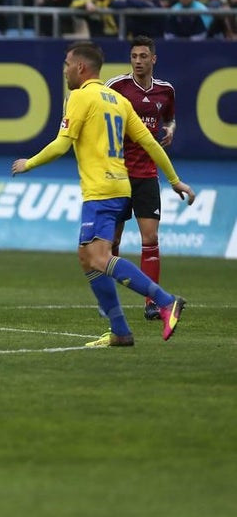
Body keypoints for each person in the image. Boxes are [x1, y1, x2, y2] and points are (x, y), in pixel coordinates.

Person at [12, 42, 193, 347]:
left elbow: (61, 143)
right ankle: (120, 331)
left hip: (100, 191)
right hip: (120, 186)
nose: (65, 69)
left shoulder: (80, 97)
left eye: (68, 63)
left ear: (81, 67)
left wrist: (28, 163)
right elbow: (151, 144)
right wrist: (175, 181)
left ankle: (164, 300)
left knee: (98, 257)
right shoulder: (119, 100)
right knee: (87, 257)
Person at [106, 37, 176, 322]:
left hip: (146, 175)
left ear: (153, 59)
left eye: (143, 56)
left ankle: (151, 302)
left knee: (150, 238)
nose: (137, 61)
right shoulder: (116, 86)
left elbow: (170, 118)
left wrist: (170, 129)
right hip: (118, 173)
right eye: (134, 55)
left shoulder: (166, 91)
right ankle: (107, 300)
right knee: (112, 241)